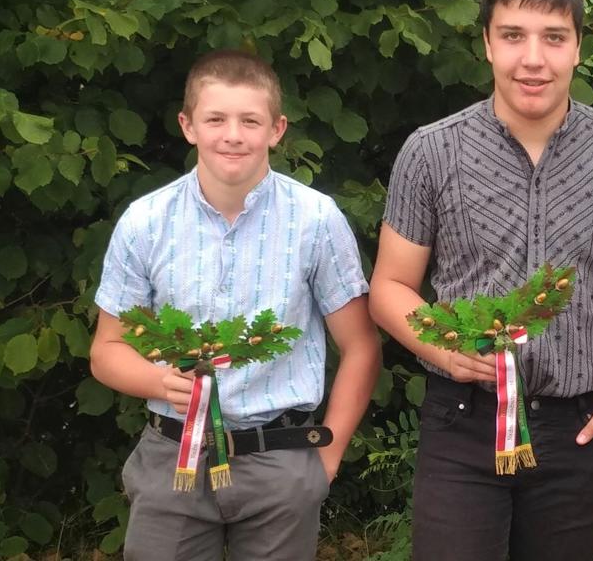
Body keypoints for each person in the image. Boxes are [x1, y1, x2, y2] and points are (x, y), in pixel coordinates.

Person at [368, 0, 593, 558]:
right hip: (462, 421)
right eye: (513, 36)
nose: (533, 59)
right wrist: (438, 347)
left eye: (553, 37)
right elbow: (390, 287)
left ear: (578, 46)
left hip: (579, 426)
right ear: (487, 43)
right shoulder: (431, 151)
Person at [89, 49, 381, 560]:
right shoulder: (145, 222)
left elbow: (360, 346)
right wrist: (159, 382)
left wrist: (326, 459)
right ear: (187, 126)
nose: (233, 135)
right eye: (215, 119)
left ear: (277, 129)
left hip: (280, 459)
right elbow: (106, 350)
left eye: (250, 120)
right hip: (172, 459)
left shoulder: (316, 220)